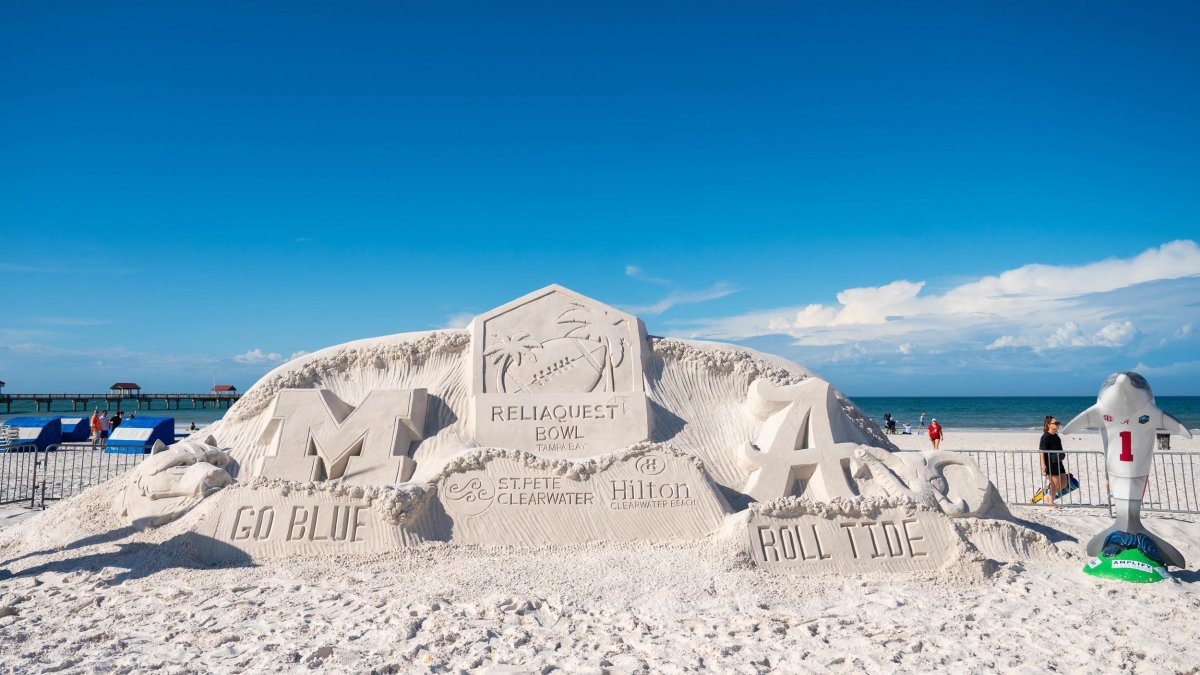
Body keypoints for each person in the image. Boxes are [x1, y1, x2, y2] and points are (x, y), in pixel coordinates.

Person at [1040, 415, 1068, 505]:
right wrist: (1043, 465)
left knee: (1064, 484)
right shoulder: (1045, 437)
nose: (1057, 425)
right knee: (1055, 485)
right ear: (1048, 425)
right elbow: (1042, 452)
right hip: (1050, 463)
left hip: (1058, 462)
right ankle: (1050, 503)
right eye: (1055, 423)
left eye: (1058, 423)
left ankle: (1048, 495)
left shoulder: (1056, 437)